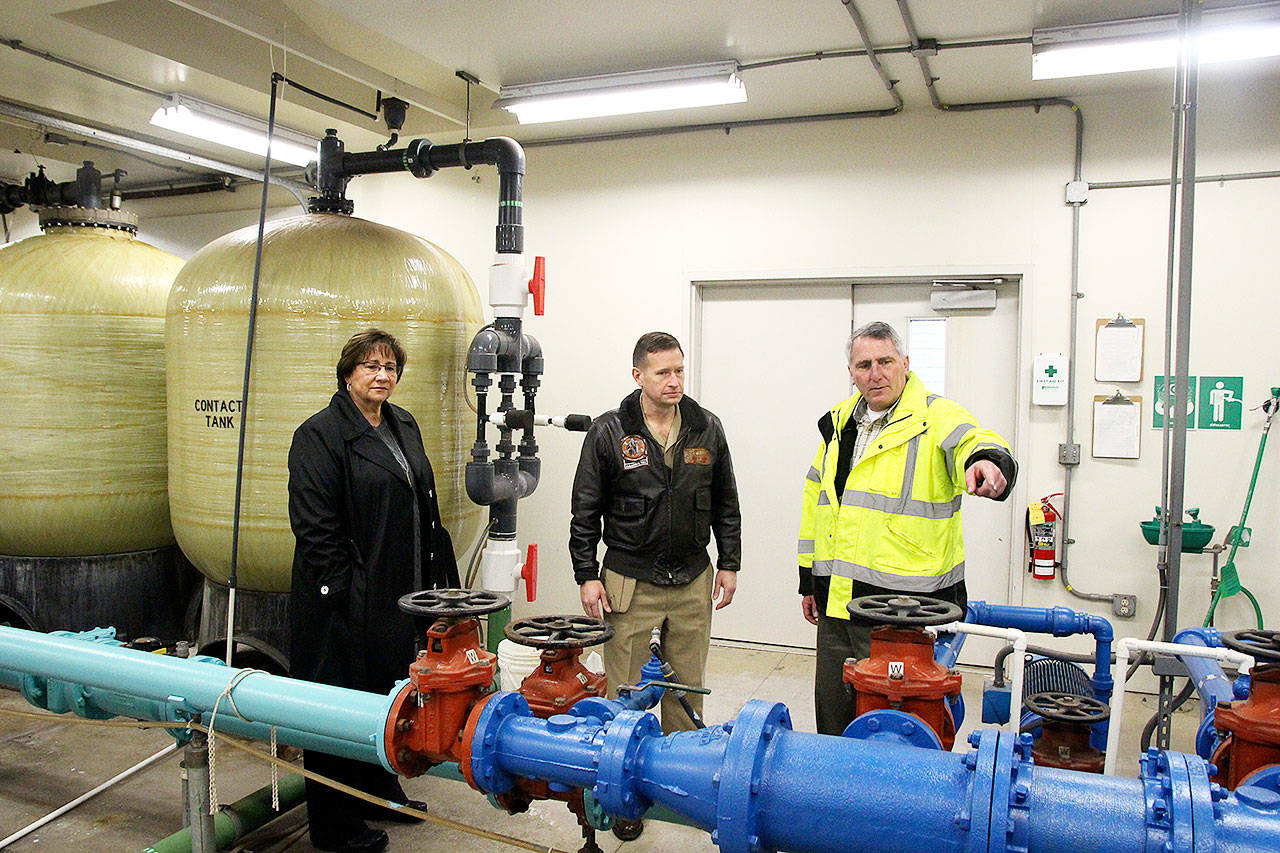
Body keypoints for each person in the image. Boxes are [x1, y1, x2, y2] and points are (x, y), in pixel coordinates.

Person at [797, 321, 1017, 736]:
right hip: (837, 605)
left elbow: (975, 440)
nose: (875, 373)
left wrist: (987, 461)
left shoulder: (936, 416)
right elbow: (817, 503)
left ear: (905, 364)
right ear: (851, 371)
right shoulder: (839, 423)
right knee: (834, 720)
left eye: (885, 361)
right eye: (864, 364)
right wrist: (809, 580)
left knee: (897, 729)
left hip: (903, 611)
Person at [288, 328, 460, 853]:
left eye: (390, 367)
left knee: (386, 703)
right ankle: (336, 829)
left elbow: (423, 505)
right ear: (347, 374)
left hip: (398, 594)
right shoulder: (319, 434)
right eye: (371, 366)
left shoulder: (402, 423)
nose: (382, 375)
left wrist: (436, 584)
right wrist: (346, 593)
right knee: (336, 711)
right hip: (342, 603)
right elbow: (316, 529)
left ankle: (379, 793)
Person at [570, 331, 742, 737]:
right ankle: (619, 781)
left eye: (679, 371)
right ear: (638, 376)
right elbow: (584, 511)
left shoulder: (706, 428)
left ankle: (678, 782)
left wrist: (730, 563)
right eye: (663, 372)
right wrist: (586, 575)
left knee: (685, 691)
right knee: (626, 695)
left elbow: (726, 503)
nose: (675, 381)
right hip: (629, 581)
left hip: (691, 579)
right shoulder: (608, 432)